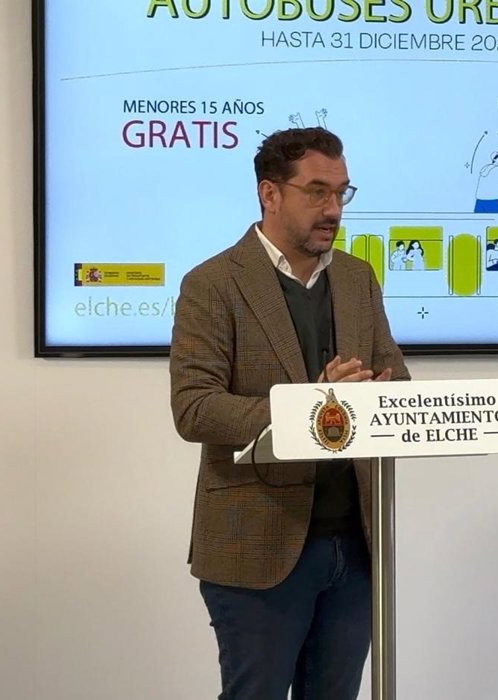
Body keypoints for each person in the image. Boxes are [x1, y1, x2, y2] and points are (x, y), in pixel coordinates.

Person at [170, 127, 409, 700]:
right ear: (270, 194)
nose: (333, 210)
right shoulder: (212, 284)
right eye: (317, 192)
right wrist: (312, 408)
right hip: (257, 544)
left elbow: (395, 379)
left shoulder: (357, 278)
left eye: (341, 193)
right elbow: (195, 407)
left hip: (355, 544)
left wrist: (374, 393)